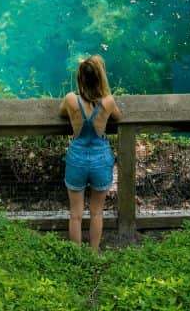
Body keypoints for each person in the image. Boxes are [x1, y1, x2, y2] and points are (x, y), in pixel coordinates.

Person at [59, 55, 122, 248]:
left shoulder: (71, 99)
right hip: (100, 160)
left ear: (80, 78)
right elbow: (118, 118)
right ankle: (93, 254)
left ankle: (77, 255)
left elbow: (61, 112)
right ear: (101, 78)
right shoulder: (108, 102)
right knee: (96, 212)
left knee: (75, 214)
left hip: (77, 158)